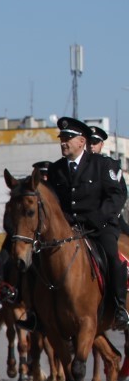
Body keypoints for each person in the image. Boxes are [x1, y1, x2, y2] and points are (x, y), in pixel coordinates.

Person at [49, 116, 129, 328]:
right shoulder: (55, 169)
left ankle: (119, 308)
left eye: (68, 138)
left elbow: (117, 196)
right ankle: (38, 311)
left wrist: (98, 218)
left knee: (113, 258)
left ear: (81, 141)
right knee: (39, 258)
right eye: (62, 138)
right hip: (69, 230)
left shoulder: (102, 165)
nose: (63, 142)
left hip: (99, 227)